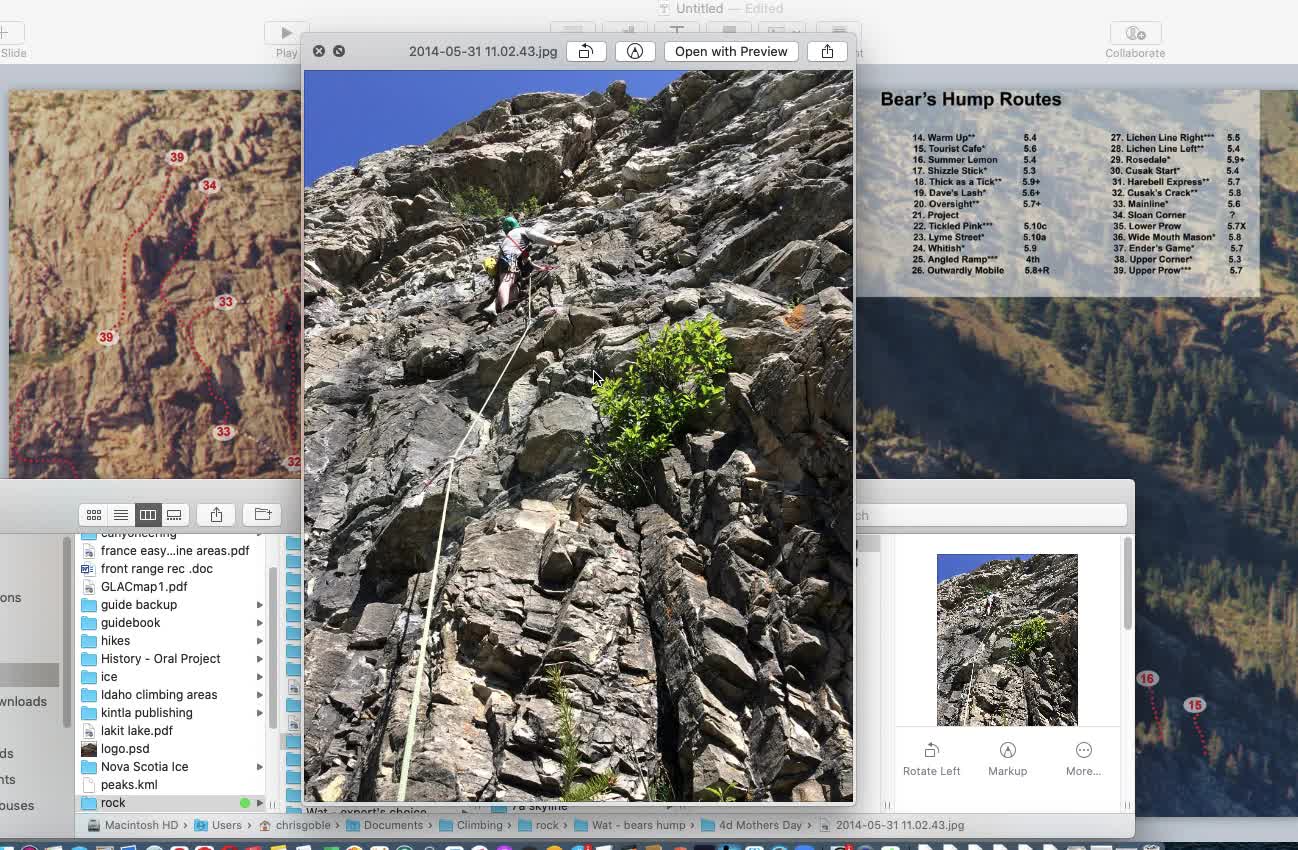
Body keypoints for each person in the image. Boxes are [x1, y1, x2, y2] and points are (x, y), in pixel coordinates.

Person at [488, 215, 572, 316]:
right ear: (516, 224)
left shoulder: (507, 239)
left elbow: (525, 260)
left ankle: (502, 309)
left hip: (504, 262)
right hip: (511, 259)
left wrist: (538, 268)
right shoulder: (522, 230)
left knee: (513, 285)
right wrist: (556, 242)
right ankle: (504, 308)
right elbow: (540, 238)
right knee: (507, 283)